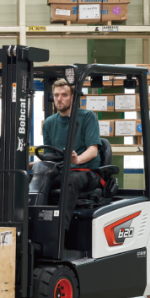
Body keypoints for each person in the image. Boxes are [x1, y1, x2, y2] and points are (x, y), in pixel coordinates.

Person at [40, 78, 102, 216]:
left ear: (73, 97)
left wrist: (77, 159)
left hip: (86, 172)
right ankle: (33, 224)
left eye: (64, 95)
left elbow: (93, 150)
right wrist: (34, 164)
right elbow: (49, 156)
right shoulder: (49, 123)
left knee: (71, 180)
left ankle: (61, 231)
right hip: (62, 171)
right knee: (34, 178)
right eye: (56, 95)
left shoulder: (87, 117)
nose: (59, 99)